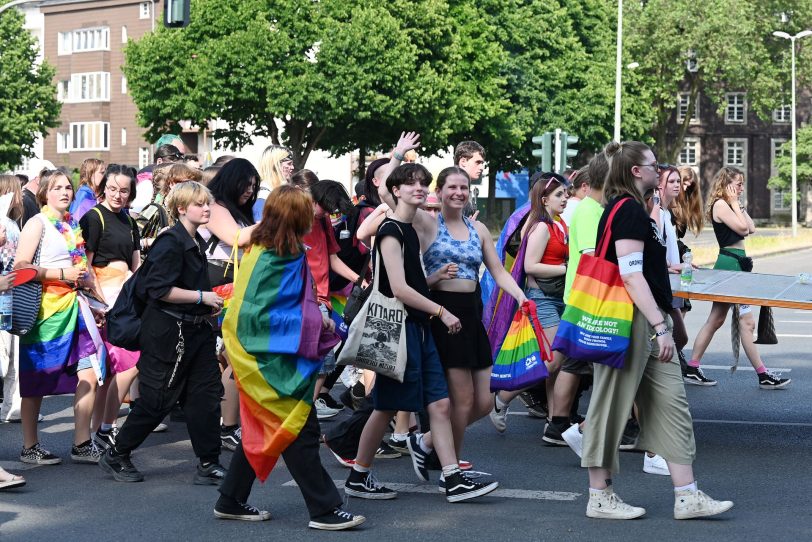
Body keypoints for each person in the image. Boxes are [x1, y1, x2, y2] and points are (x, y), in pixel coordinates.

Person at [580, 140, 732, 520]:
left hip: (647, 320)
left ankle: (688, 494)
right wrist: (660, 326)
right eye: (652, 165)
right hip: (633, 321)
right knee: (610, 408)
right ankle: (599, 497)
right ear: (636, 172)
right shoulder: (628, 209)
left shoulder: (630, 208)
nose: (660, 171)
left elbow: (640, 270)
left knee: (673, 406)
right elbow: (630, 276)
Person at [344, 158, 498, 503]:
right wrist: (441, 310)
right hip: (398, 330)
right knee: (385, 408)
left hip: (418, 328)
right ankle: (358, 474)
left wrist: (434, 279)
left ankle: (452, 477)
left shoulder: (408, 231)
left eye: (422, 183)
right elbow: (398, 288)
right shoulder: (390, 232)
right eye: (411, 183)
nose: (419, 188)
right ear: (395, 191)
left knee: (440, 405)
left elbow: (413, 283)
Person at [213, 185, 365, 530]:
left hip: (267, 355)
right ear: (294, 217)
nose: (314, 215)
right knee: (298, 430)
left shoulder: (270, 248)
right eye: (306, 211)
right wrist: (317, 320)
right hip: (268, 359)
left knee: (268, 426)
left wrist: (314, 316)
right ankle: (324, 509)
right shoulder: (276, 254)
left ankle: (230, 499)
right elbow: (258, 315)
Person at [98, 181, 227, 484]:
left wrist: (204, 306)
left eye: (208, 202)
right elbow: (157, 289)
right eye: (199, 203)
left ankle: (208, 463)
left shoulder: (193, 240)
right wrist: (200, 297)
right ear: (182, 208)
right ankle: (117, 455)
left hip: (194, 331)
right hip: (168, 334)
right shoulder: (171, 241)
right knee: (157, 400)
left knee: (205, 398)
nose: (206, 208)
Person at [417, 165, 526, 477]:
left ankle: (426, 442)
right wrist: (397, 158)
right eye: (451, 187)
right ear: (439, 192)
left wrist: (520, 296)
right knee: (462, 401)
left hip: (471, 315)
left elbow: (498, 270)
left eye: (463, 187)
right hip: (443, 313)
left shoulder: (477, 230)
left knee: (483, 401)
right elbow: (390, 199)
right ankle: (451, 468)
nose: (458, 193)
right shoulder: (427, 222)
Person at [15, 169, 105, 465]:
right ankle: (30, 446)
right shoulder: (36, 223)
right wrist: (60, 273)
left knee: (89, 371)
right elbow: (21, 268)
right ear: (44, 193)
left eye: (68, 187)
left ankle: (81, 443)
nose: (66, 192)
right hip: (44, 312)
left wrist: (95, 300)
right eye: (58, 188)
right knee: (36, 378)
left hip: (75, 306)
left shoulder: (72, 223)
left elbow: (81, 267)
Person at [686, 167, 790, 389]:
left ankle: (693, 367)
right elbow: (742, 229)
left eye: (742, 183)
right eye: (738, 183)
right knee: (741, 321)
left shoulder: (731, 205)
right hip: (730, 266)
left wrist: (739, 204)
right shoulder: (722, 205)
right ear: (726, 184)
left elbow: (751, 227)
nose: (742, 188)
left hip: (736, 265)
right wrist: (734, 203)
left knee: (722, 320)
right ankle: (762, 375)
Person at [489, 173, 568, 441]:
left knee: (554, 363)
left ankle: (554, 422)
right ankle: (502, 398)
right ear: (544, 199)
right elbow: (529, 265)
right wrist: (565, 268)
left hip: (557, 297)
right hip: (542, 298)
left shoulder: (557, 224)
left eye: (566, 194)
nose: (565, 198)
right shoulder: (542, 226)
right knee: (551, 361)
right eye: (559, 195)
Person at [78, 166, 142, 451]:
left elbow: (136, 265)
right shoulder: (94, 218)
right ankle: (103, 429)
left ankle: (103, 429)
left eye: (124, 190)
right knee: (118, 366)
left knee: (122, 366)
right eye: (113, 189)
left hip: (126, 301)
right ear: (104, 188)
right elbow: (86, 265)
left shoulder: (130, 222)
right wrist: (99, 303)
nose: (118, 195)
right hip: (102, 302)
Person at [199, 159, 261, 451]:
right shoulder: (215, 206)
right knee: (236, 358)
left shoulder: (234, 208)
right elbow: (235, 238)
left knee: (231, 357)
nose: (249, 191)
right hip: (218, 287)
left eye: (253, 186)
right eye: (245, 185)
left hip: (236, 286)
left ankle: (230, 423)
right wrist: (275, 219)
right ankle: (228, 426)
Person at [303, 180, 363, 419]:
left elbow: (332, 258)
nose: (326, 214)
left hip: (321, 299)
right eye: (324, 209)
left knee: (323, 362)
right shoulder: (294, 216)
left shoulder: (323, 220)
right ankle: (302, 416)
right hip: (303, 299)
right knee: (314, 361)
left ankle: (305, 414)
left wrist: (360, 280)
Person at [0, 176, 24, 423]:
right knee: (5, 357)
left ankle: (12, 406)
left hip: (11, 297)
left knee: (12, 357)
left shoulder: (12, 225)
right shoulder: (6, 225)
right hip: (4, 297)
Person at [132, 144, 185, 215]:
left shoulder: (172, 184)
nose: (177, 173)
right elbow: (135, 215)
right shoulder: (146, 185)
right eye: (173, 168)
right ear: (159, 162)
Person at [253, 145, 294, 221]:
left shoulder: (274, 192)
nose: (292, 167)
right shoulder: (263, 195)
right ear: (276, 165)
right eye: (289, 164)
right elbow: (261, 229)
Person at [21, 159, 56, 226]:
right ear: (38, 180)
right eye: (51, 178)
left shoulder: (38, 200)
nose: (55, 182)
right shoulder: (24, 201)